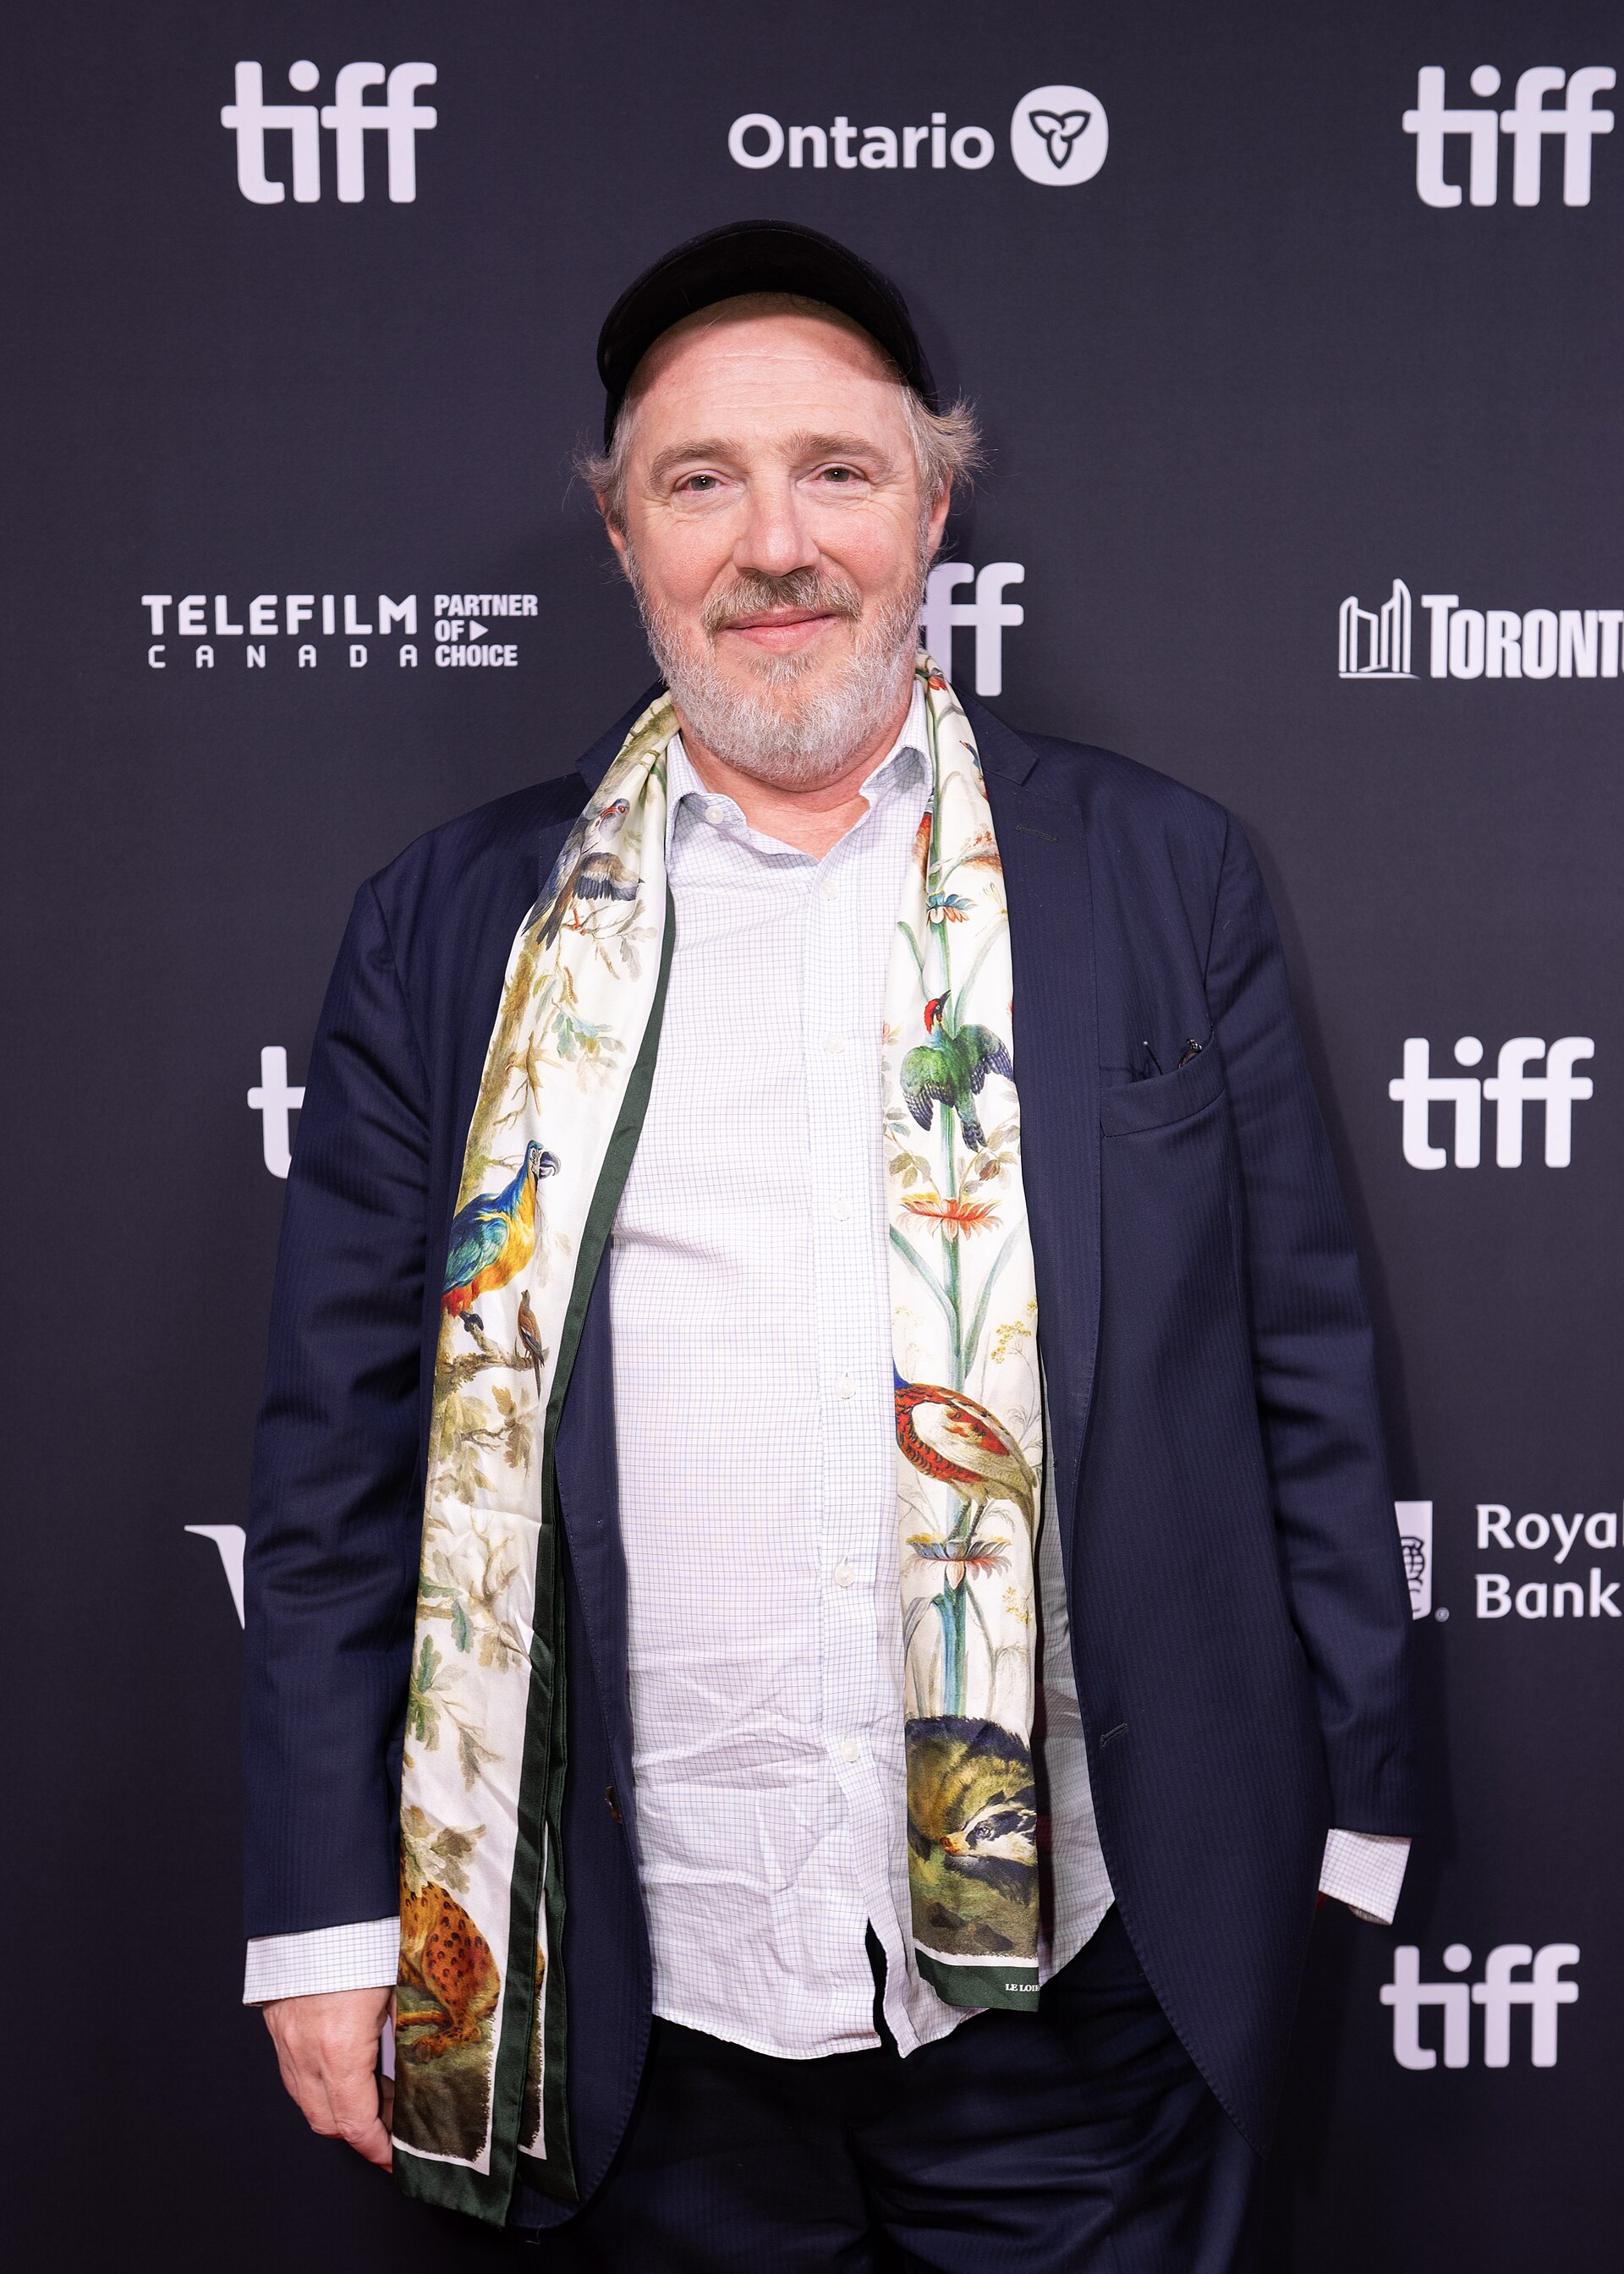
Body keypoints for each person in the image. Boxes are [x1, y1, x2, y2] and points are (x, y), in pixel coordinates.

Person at [244, 222, 1415, 2271]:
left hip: (1088, 1973)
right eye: (702, 481)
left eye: (838, 473)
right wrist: (333, 1921)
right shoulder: (450, 930)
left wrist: (1358, 1823)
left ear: (933, 508)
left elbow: (1299, 1373)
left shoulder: (1160, 870)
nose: (773, 543)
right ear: (626, 538)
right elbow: (341, 1472)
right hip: (628, 1992)